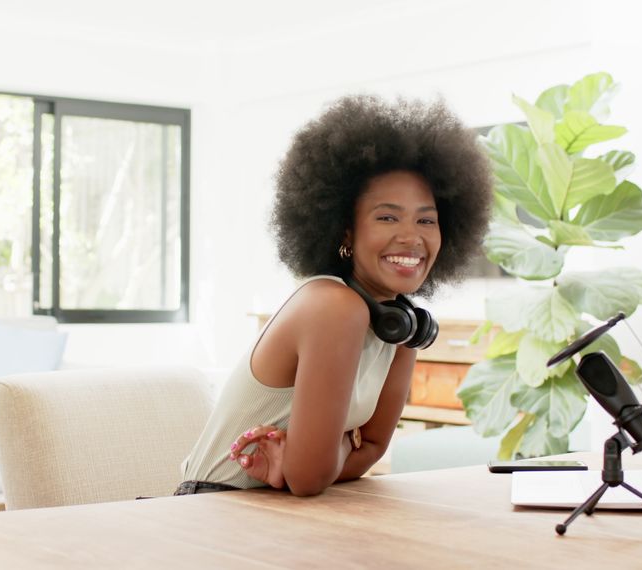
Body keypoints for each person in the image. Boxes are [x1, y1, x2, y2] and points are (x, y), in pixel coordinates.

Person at [176, 95, 493, 496]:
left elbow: (372, 450)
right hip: (213, 510)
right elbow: (310, 478)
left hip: (281, 509)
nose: (412, 237)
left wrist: (315, 458)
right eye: (387, 216)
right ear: (346, 230)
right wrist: (326, 455)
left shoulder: (402, 326)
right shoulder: (333, 307)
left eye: (426, 220)